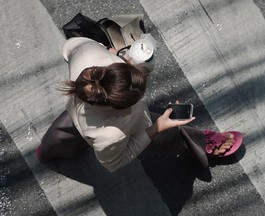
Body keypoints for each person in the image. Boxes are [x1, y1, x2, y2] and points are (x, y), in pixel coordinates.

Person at [37, 37, 243, 172]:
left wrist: (110, 54)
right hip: (107, 130)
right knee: (165, 132)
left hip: (77, 113)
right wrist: (155, 129)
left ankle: (48, 151)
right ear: (120, 107)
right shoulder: (112, 134)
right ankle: (200, 144)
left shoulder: (88, 56)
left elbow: (69, 47)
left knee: (59, 135)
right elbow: (113, 163)